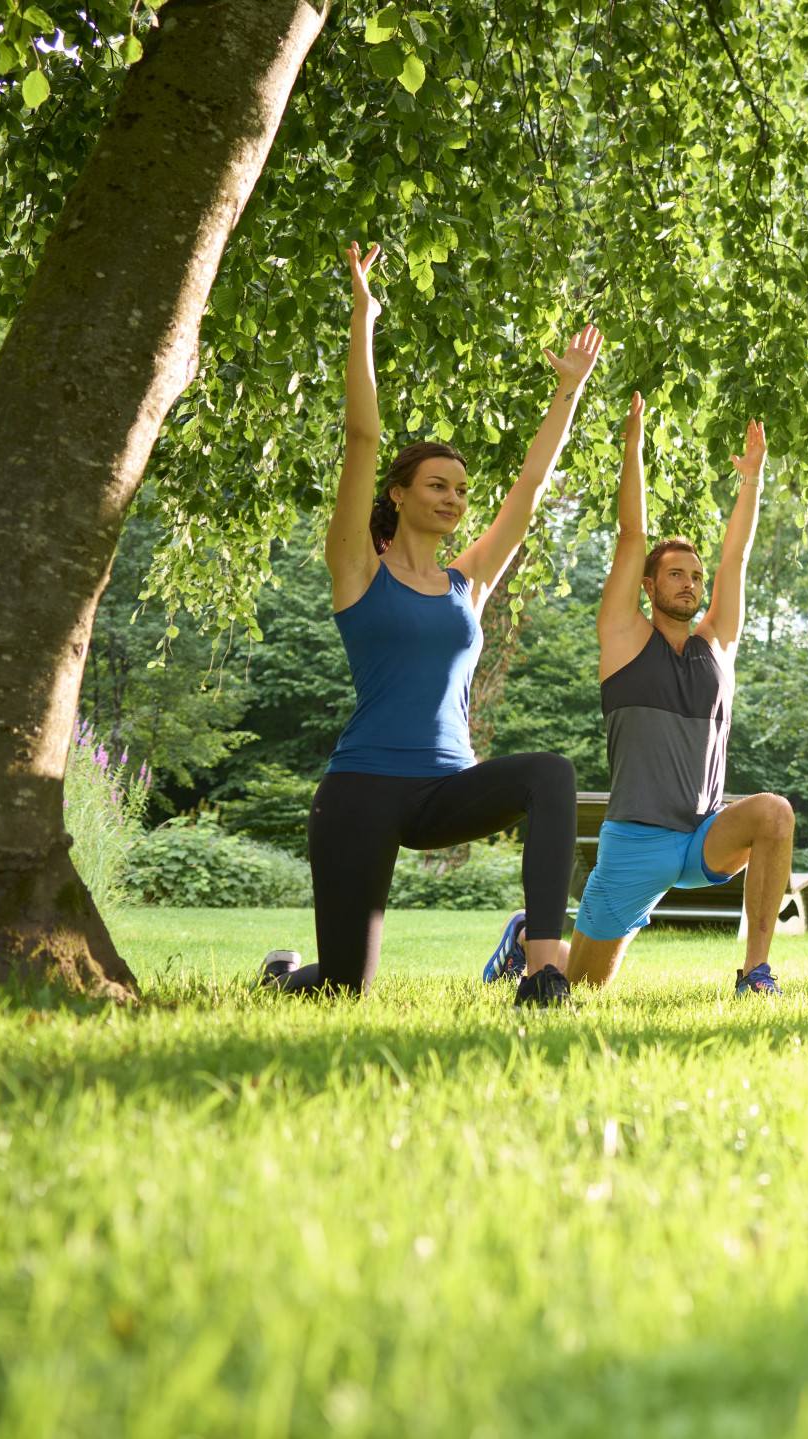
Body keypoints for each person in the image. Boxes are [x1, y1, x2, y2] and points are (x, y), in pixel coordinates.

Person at [260, 242, 592, 1003]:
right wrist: (363, 320)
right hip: (362, 791)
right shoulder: (356, 569)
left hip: (446, 788)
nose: (454, 498)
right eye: (438, 485)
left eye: (461, 490)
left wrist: (566, 394)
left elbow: (529, 493)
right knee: (345, 984)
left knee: (551, 773)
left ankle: (544, 970)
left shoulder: (464, 583)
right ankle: (284, 977)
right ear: (400, 494)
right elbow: (362, 439)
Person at [485, 394, 797, 998]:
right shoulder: (625, 638)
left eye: (696, 576)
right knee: (583, 988)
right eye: (676, 574)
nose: (691, 583)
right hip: (637, 841)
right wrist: (633, 447)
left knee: (774, 812)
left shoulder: (718, 646)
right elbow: (632, 535)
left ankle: (755, 973)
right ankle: (529, 937)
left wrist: (752, 483)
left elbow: (737, 556)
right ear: (651, 586)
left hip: (705, 833)